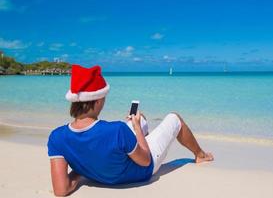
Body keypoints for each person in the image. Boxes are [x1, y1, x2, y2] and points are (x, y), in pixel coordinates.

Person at [47, 64, 214, 197]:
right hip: (140, 172)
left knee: (141, 121)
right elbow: (145, 161)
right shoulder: (116, 130)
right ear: (97, 101)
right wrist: (136, 130)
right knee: (174, 118)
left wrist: (82, 170)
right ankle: (200, 155)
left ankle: (139, 134)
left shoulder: (57, 137)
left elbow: (61, 190)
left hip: (100, 172)